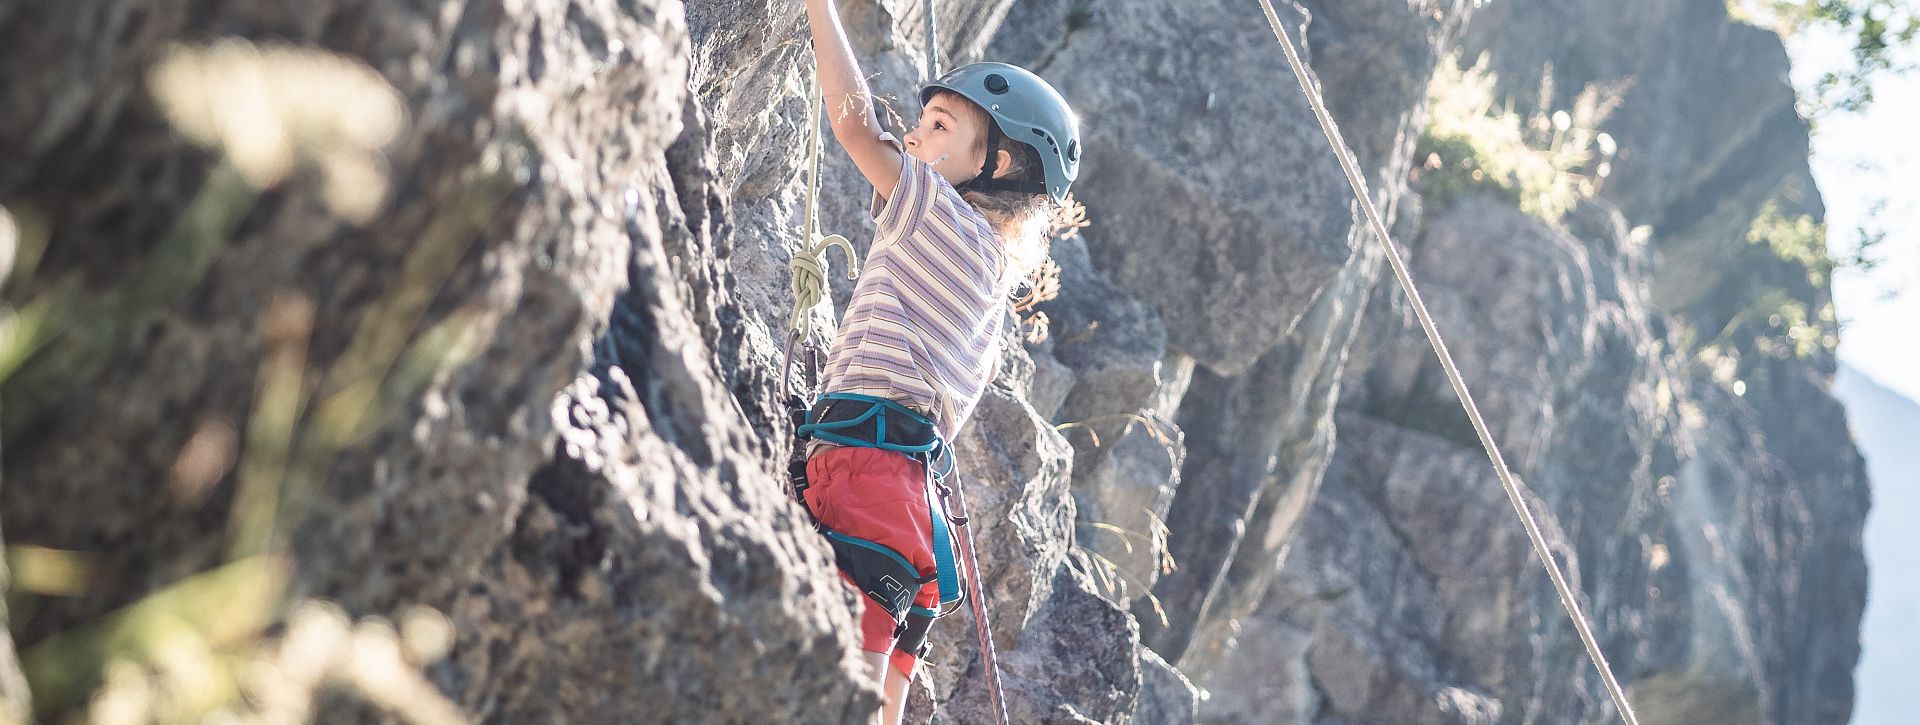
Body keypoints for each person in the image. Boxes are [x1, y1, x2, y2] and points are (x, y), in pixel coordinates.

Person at [799, 1, 1081, 722]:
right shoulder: (988, 270)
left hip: (870, 470)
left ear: (1002, 163)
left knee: (839, 696)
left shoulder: (939, 217)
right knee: (875, 705)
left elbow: (855, 125)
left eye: (938, 129)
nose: (915, 137)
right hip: (910, 509)